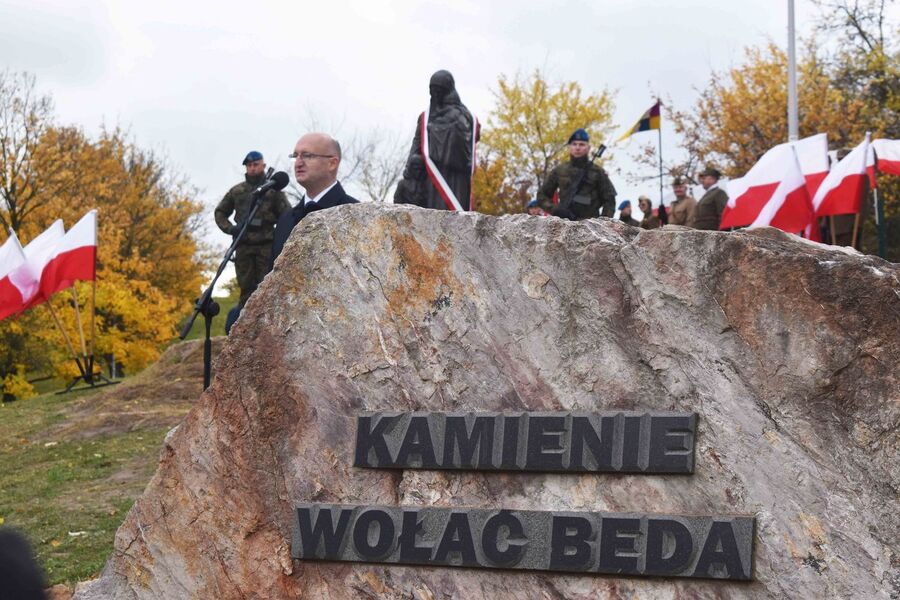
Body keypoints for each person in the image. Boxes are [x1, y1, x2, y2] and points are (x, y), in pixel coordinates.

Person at [394, 70, 478, 211]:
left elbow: (466, 147)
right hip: (431, 178)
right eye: (432, 90)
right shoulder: (425, 118)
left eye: (439, 90)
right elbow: (416, 145)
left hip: (456, 178)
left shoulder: (463, 116)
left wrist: (438, 131)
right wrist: (409, 172)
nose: (436, 94)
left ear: (448, 90)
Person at [270, 133, 359, 267]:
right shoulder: (285, 220)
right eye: (295, 156)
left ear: (332, 163)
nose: (298, 163)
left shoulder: (355, 215)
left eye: (307, 156)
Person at [215, 151, 290, 306]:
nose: (252, 168)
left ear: (263, 165)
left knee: (268, 289)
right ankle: (244, 320)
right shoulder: (237, 191)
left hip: (266, 247)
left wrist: (279, 237)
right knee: (246, 291)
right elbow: (220, 212)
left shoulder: (273, 191)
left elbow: (287, 216)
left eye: (256, 164)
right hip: (243, 246)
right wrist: (231, 229)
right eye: (249, 165)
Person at [537, 128, 616, 221]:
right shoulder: (559, 170)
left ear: (588, 148)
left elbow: (610, 200)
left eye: (582, 144)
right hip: (564, 223)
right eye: (574, 144)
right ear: (569, 147)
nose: (577, 148)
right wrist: (555, 210)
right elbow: (542, 195)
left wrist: (603, 223)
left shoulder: (597, 172)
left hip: (591, 224)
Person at [689, 166, 729, 230]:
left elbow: (723, 214)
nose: (702, 181)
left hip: (713, 232)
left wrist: (722, 232)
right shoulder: (708, 194)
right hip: (703, 232)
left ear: (712, 179)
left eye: (704, 178)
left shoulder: (719, 193)